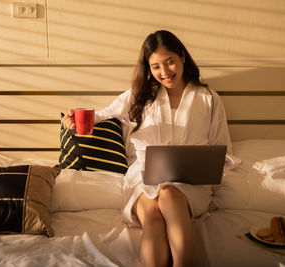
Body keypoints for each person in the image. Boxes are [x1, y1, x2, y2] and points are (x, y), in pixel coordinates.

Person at [62, 30, 240, 267]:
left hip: (192, 184)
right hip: (143, 178)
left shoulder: (208, 98)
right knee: (154, 215)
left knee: (169, 193)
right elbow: (101, 116)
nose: (165, 72)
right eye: (156, 66)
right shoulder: (139, 96)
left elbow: (224, 149)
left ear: (182, 57)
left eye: (170, 62)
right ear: (148, 68)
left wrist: (211, 164)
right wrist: (73, 120)